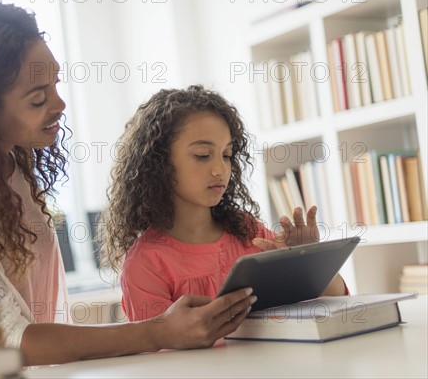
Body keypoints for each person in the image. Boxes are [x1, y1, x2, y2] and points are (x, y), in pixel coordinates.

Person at [0, 0, 257, 366]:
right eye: (37, 98)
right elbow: (10, 338)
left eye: (55, 86)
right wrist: (161, 331)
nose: (59, 104)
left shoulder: (9, 164)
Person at [99, 85, 348, 322]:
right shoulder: (147, 264)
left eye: (227, 155)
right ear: (158, 163)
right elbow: (160, 354)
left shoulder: (250, 233)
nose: (220, 169)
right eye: (202, 156)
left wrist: (308, 261)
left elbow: (336, 300)